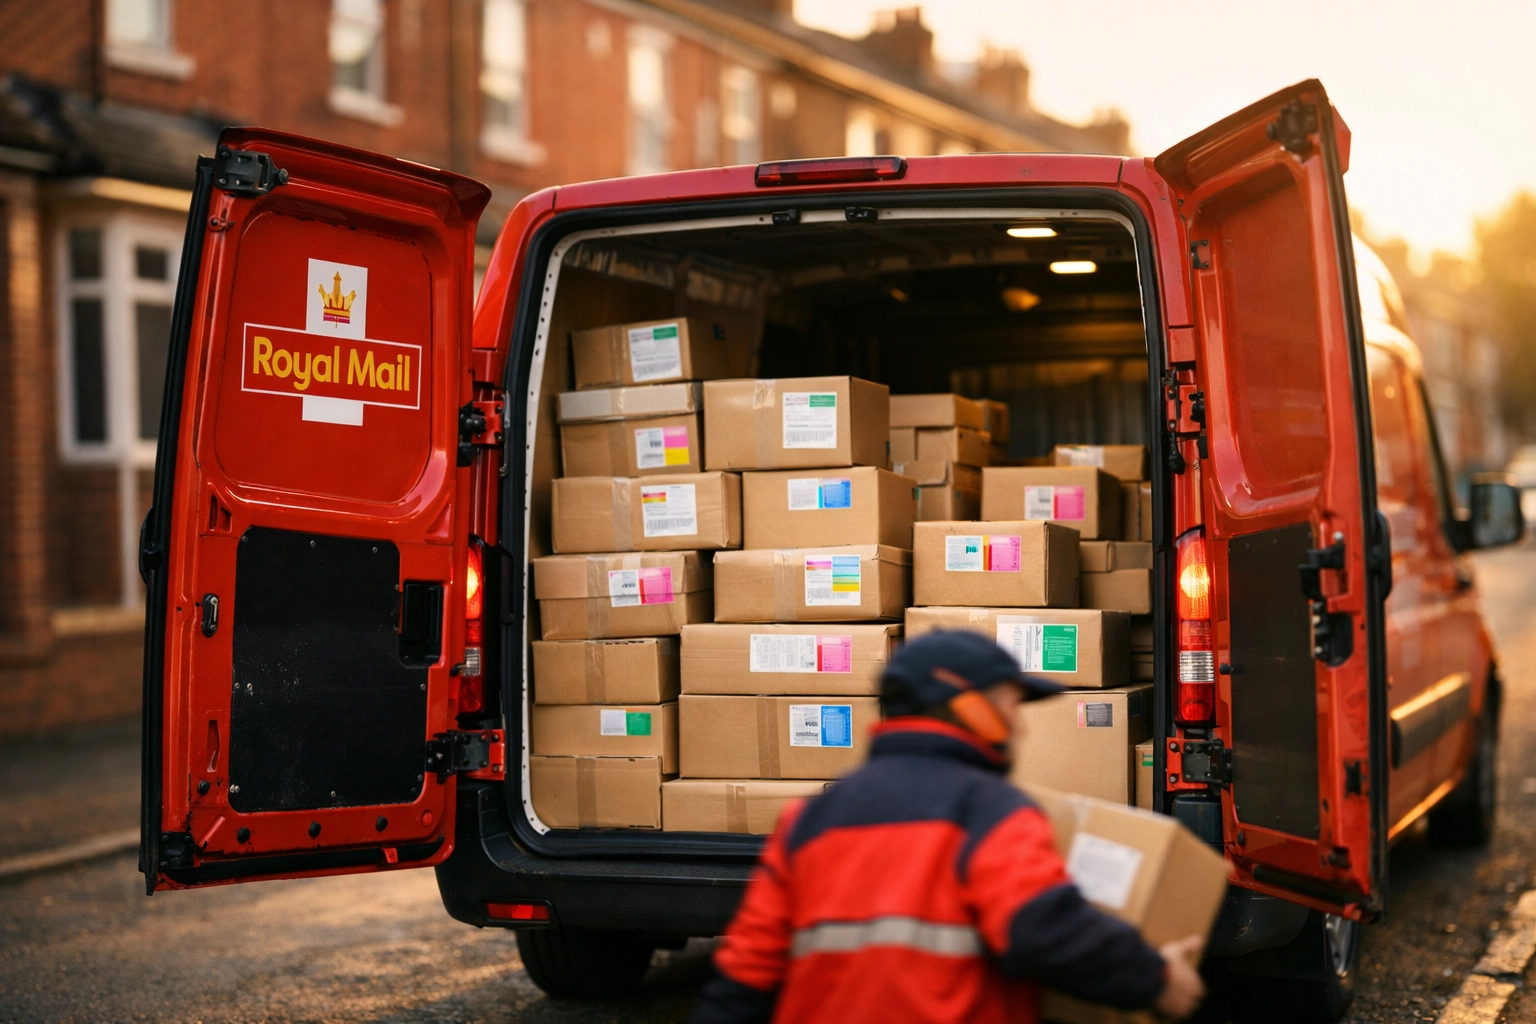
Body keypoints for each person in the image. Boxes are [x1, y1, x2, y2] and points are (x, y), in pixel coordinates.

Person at [690, 630, 1207, 1024]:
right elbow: (1045, 929)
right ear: (969, 707)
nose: (1020, 726)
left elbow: (744, 975)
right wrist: (1156, 979)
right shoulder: (989, 811)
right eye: (1010, 706)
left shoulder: (807, 822)